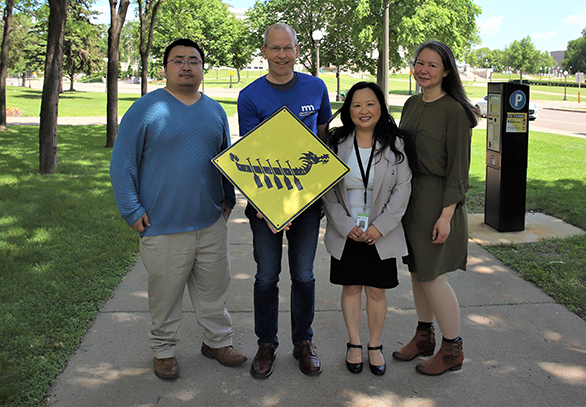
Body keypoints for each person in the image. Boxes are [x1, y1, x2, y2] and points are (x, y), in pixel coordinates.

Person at [110, 39, 247, 380]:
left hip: (210, 222)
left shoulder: (214, 110)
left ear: (203, 68)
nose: (186, 66)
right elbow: (121, 163)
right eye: (178, 60)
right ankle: (164, 350)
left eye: (194, 61)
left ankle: (217, 342)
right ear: (165, 67)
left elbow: (223, 160)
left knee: (215, 291)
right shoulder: (145, 109)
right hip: (162, 224)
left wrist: (228, 200)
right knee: (165, 298)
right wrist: (130, 209)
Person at [237, 23, 332, 379]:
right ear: (264, 51)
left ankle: (303, 343)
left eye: (287, 48)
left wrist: (310, 193)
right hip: (264, 205)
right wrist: (268, 204)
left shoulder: (316, 87)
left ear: (296, 51)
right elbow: (252, 154)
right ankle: (266, 344)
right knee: (266, 277)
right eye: (274, 49)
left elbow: (322, 143)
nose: (281, 55)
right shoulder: (250, 96)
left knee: (304, 276)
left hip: (306, 204)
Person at [391, 40, 478, 375]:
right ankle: (423, 336)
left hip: (438, 199)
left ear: (445, 71)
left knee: (433, 277)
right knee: (417, 272)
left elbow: (459, 170)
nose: (424, 70)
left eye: (432, 65)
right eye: (420, 63)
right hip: (410, 197)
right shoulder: (412, 104)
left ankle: (452, 348)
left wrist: (446, 215)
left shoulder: (455, 112)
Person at [322, 82, 412, 375]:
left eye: (371, 104)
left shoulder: (395, 144)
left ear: (381, 107)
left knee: (376, 291)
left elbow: (403, 189)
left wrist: (380, 227)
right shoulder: (336, 143)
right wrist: (346, 225)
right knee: (351, 288)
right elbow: (328, 191)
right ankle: (354, 343)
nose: (364, 110)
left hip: (379, 233)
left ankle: (374, 345)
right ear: (348, 110)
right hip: (347, 231)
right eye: (357, 105)